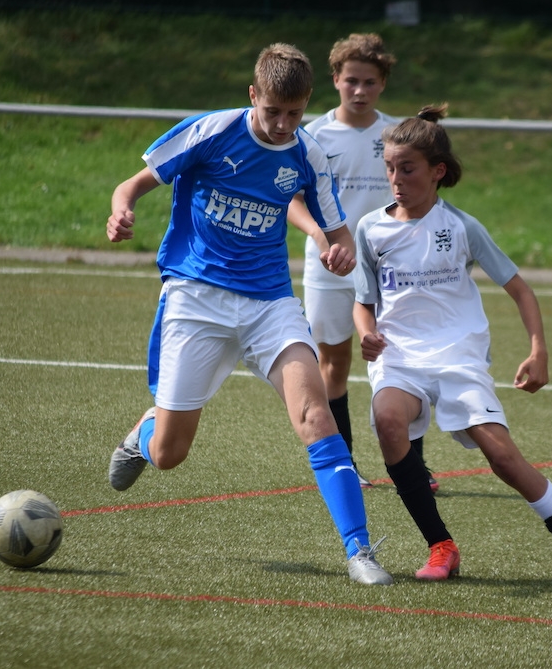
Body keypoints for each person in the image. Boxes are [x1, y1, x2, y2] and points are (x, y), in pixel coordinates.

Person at [105, 43, 392, 586]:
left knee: (316, 416)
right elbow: (132, 185)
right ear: (253, 95)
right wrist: (122, 211)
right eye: (272, 111)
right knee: (169, 454)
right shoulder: (211, 131)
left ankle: (360, 550)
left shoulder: (307, 154)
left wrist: (341, 250)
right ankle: (144, 435)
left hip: (270, 303)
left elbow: (337, 231)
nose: (283, 125)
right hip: (196, 298)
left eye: (294, 114)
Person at [352, 105, 552, 585]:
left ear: (437, 171)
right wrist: (366, 333)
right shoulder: (371, 228)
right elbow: (363, 301)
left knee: (502, 457)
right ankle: (440, 546)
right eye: (389, 168)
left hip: (458, 356)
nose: (395, 179)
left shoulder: (461, 227)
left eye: (407, 169)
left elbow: (521, 290)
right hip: (400, 357)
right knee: (388, 420)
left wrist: (538, 350)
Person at [288, 33, 439, 493]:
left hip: (391, 269)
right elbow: (293, 198)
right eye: (351, 80)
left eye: (369, 82)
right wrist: (321, 237)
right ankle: (346, 464)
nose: (359, 90)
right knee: (332, 361)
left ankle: (414, 466)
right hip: (329, 266)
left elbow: (420, 196)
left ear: (383, 84)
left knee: (401, 360)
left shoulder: (397, 135)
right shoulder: (311, 134)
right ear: (335, 79)